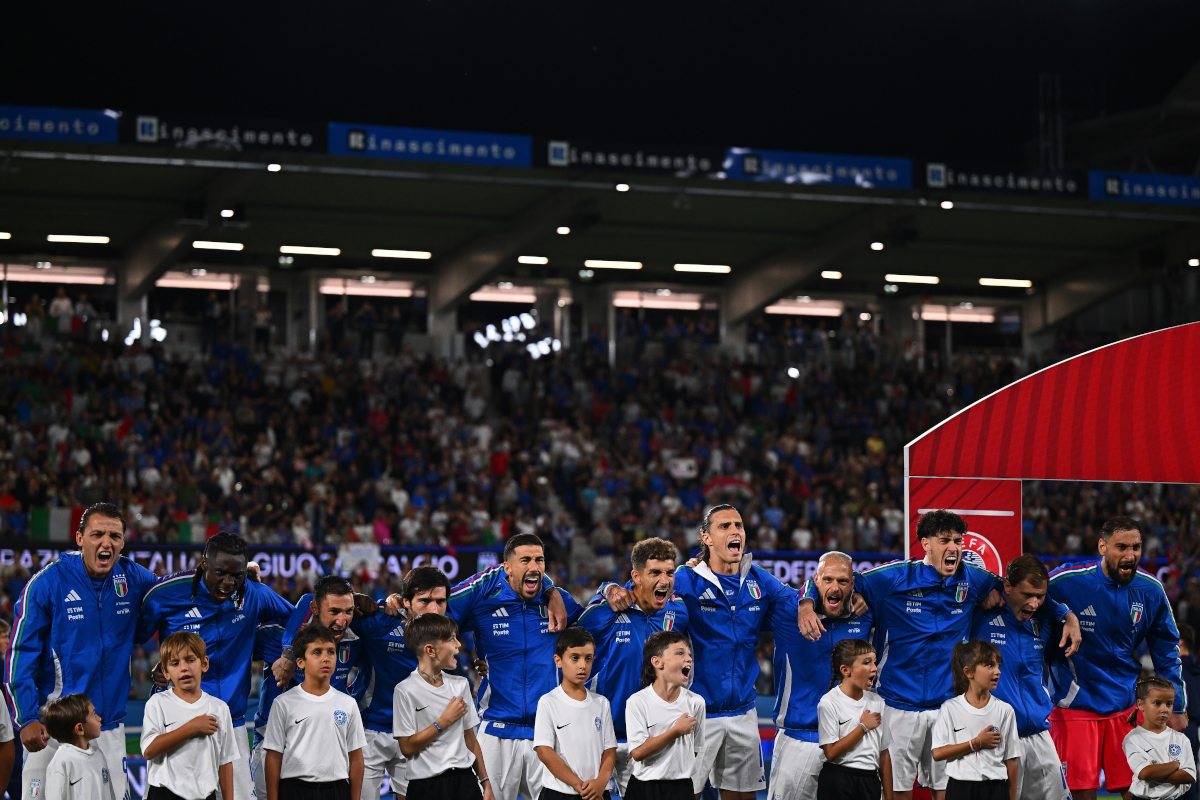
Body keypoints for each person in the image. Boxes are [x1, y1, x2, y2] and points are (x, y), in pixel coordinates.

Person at [799, 509, 1079, 800]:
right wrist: (806, 602)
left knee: (949, 792)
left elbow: (1024, 592)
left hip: (947, 708)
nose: (954, 548)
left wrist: (1066, 615)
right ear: (926, 544)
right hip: (897, 707)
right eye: (945, 540)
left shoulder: (975, 579)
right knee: (896, 794)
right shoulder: (894, 577)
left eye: (958, 541)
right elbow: (837, 578)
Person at [604, 504, 787, 799]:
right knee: (684, 792)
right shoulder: (686, 578)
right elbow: (643, 588)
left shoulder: (757, 578)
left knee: (742, 795)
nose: (735, 531)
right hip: (698, 710)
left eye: (738, 525)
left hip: (743, 709)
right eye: (724, 526)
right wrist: (610, 588)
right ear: (706, 537)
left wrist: (806, 602)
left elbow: (791, 599)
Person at [6, 502, 159, 800]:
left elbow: (175, 594)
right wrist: (26, 719)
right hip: (51, 731)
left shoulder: (133, 577)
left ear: (123, 542)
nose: (106, 542)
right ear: (79, 538)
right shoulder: (47, 584)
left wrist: (236, 578)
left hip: (107, 729)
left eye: (114, 536)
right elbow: (19, 653)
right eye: (97, 534)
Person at [136, 532, 294, 799]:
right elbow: (134, 635)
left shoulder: (252, 594)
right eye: (221, 572)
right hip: (176, 721)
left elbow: (300, 617)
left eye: (237, 575)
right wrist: (164, 667)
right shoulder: (165, 594)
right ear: (204, 564)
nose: (228, 582)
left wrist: (288, 652)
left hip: (230, 721)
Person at [1048, 516, 1187, 800]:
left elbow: (1167, 652)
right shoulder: (1067, 581)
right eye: (1121, 547)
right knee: (1081, 793)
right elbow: (1026, 592)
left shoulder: (1151, 591)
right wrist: (1066, 614)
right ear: (1102, 546)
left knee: (1138, 790)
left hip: (1124, 706)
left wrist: (1177, 706)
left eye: (1136, 547)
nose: (1130, 555)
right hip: (1075, 705)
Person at [448, 532, 582, 800]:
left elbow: (595, 622)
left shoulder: (558, 599)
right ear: (507, 567)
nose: (534, 567)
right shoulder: (485, 592)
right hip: (495, 726)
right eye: (525, 560)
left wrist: (606, 590)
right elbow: (438, 615)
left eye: (539, 560)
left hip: (548, 730)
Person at [577, 538, 688, 796]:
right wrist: (607, 589)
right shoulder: (606, 610)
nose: (665, 580)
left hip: (648, 739)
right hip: (599, 734)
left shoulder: (679, 612)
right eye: (655, 573)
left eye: (670, 572)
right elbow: (562, 644)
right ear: (636, 576)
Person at [770, 551, 873, 800]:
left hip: (853, 740)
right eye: (827, 580)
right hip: (799, 739)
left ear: (853, 584)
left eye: (842, 581)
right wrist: (804, 603)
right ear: (815, 580)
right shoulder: (787, 610)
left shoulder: (867, 613)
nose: (834, 587)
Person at [971, 555, 1070, 800]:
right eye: (1027, 595)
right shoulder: (977, 614)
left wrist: (1069, 616)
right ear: (1007, 586)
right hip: (994, 738)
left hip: (1038, 735)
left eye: (1040, 596)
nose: (1035, 603)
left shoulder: (1044, 621)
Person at [351, 565, 452, 800]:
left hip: (417, 734)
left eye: (440, 601)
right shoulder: (380, 621)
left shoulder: (448, 631)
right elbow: (329, 609)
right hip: (369, 731)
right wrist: (354, 596)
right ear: (406, 601)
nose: (434, 609)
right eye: (424, 601)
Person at [393, 614, 493, 800]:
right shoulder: (405, 690)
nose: (458, 645)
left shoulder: (460, 684)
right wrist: (443, 721)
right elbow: (406, 748)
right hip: (425, 785)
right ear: (431, 650)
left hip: (465, 782)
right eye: (451, 640)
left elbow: (470, 739)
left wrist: (486, 783)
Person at [264, 624, 366, 800]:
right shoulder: (283, 703)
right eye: (317, 652)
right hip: (295, 789)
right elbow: (273, 756)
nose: (326, 658)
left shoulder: (348, 703)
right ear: (301, 662)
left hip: (337, 788)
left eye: (331, 652)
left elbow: (356, 758)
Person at [140, 632, 238, 800]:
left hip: (206, 795)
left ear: (204, 663)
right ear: (166, 672)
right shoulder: (157, 703)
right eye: (175, 663)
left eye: (190, 660)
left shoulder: (220, 708)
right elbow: (149, 750)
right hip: (164, 795)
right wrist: (192, 728)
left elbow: (225, 762)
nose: (184, 667)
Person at [533, 628, 617, 800]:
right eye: (574, 658)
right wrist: (579, 786)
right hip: (560, 793)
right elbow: (544, 751)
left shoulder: (601, 703)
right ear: (558, 660)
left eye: (588, 659)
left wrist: (601, 782)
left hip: (597, 792)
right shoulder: (548, 702)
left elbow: (609, 750)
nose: (582, 665)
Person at [932, 641, 1021, 800]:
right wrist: (976, 743)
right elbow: (938, 753)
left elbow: (1011, 760)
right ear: (969, 672)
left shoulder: (1005, 710)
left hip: (995, 789)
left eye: (998, 666)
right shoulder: (950, 708)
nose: (997, 672)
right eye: (989, 665)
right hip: (960, 788)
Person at [624, 631, 706, 800]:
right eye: (680, 653)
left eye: (689, 654)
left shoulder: (696, 703)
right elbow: (638, 753)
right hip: (644, 788)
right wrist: (675, 731)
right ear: (657, 662)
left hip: (681, 788)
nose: (689, 658)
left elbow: (694, 751)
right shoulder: (638, 702)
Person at [816, 639, 886, 800]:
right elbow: (831, 752)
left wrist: (889, 795)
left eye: (874, 662)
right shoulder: (828, 703)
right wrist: (863, 727)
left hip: (870, 780)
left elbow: (884, 752)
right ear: (846, 670)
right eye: (867, 663)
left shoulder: (878, 702)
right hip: (837, 780)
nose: (874, 668)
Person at [1123, 676, 1196, 800]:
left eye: (1169, 704)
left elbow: (1189, 776)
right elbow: (1144, 773)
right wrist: (1175, 764)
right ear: (1140, 704)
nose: (1164, 709)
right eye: (1157, 703)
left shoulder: (1181, 738)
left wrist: (1156, 772)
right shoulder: (1133, 739)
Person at [42, 694, 115, 800]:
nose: (99, 718)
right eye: (94, 714)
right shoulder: (61, 762)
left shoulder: (98, 754)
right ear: (80, 728)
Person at [1180, 624, 1200, 800]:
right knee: (1190, 777)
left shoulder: (1176, 670)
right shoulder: (1196, 668)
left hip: (1178, 726)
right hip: (1195, 728)